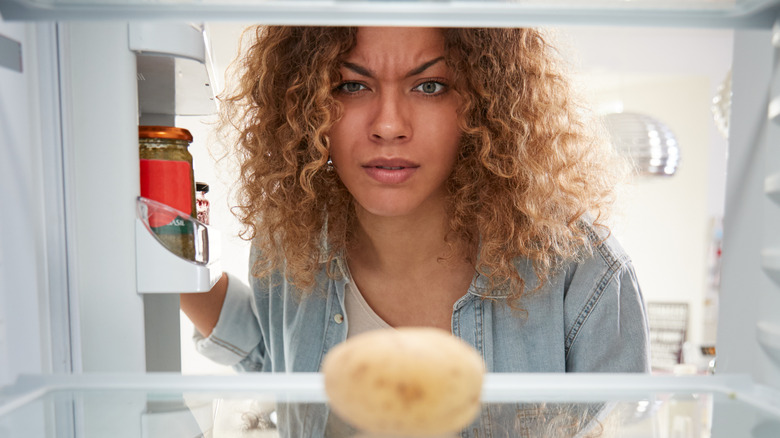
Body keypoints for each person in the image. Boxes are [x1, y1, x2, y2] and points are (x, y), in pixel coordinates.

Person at [180, 25, 650, 436]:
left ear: (485, 103)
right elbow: (276, 365)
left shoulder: (582, 271)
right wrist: (162, 253)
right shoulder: (289, 244)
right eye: (350, 85)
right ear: (305, 105)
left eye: (429, 85)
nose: (388, 125)